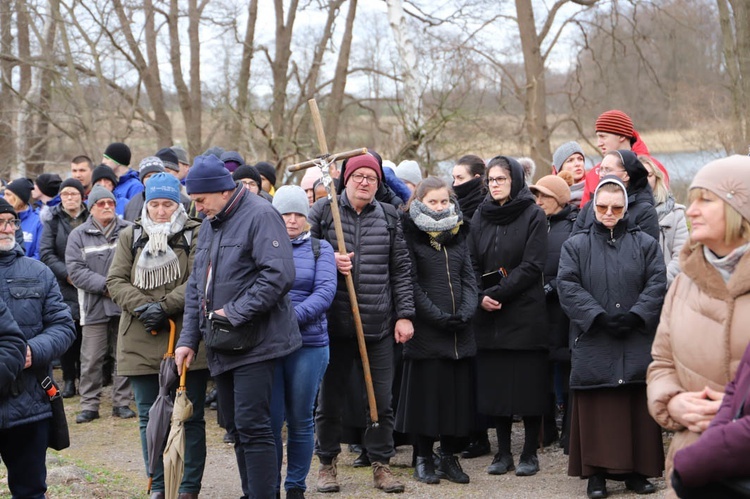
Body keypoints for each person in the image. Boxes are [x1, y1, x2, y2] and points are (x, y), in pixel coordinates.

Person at [174, 155, 302, 499]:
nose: (197, 208)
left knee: (255, 428)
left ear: (221, 191)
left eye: (201, 200)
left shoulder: (261, 215)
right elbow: (195, 286)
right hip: (222, 344)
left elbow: (279, 274)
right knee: (236, 427)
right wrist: (188, 339)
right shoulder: (211, 223)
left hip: (258, 343)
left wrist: (234, 312)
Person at [308, 153, 415, 494]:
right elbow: (298, 253)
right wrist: (327, 256)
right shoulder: (324, 213)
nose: (365, 182)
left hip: (378, 325)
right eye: (359, 176)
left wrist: (404, 315)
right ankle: (327, 464)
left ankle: (381, 464)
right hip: (334, 327)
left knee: (380, 401)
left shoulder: (387, 217)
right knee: (330, 401)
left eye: (372, 177)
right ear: (347, 179)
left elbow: (401, 270)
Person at [647, 155, 750, 498]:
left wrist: (735, 411)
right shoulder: (683, 283)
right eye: (691, 200)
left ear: (742, 210)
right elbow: (660, 364)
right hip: (690, 466)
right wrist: (673, 403)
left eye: (706, 200)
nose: (691, 211)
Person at [558, 176, 666, 499]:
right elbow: (567, 286)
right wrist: (598, 316)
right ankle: (596, 476)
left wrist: (635, 315)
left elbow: (658, 282)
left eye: (616, 208)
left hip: (635, 336)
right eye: (602, 207)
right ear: (593, 206)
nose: (609, 213)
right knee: (597, 406)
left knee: (635, 404)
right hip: (594, 337)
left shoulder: (645, 243)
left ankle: (637, 472)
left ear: (626, 208)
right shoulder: (575, 245)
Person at [107, 173, 208, 499]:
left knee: (187, 416)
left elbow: (198, 280)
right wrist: (143, 308)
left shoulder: (195, 233)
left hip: (184, 334)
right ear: (146, 204)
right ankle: (158, 485)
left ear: (178, 203)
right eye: (155, 204)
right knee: (149, 417)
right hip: (138, 335)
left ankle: (188, 487)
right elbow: (116, 280)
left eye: (168, 204)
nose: (161, 211)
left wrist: (164, 307)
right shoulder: (129, 235)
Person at [467, 156, 548, 477]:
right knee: (496, 389)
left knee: (528, 387)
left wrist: (496, 293)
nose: (495, 184)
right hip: (489, 317)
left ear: (515, 180)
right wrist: (479, 296)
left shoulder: (533, 214)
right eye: (491, 179)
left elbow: (533, 264)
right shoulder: (480, 216)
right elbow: (470, 262)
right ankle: (502, 453)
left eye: (501, 179)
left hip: (524, 312)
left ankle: (529, 452)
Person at [395, 177, 477, 486]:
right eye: (433, 202)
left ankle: (448, 458)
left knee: (456, 400)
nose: (440, 207)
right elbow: (411, 283)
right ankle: (423, 457)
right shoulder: (410, 234)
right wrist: (437, 316)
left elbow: (468, 277)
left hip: (459, 332)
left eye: (444, 201)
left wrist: (467, 311)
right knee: (426, 400)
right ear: (419, 202)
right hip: (428, 332)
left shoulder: (458, 234)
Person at [0, 196, 76, 499]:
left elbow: (63, 326)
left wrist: (34, 350)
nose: (5, 229)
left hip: (29, 402)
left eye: (10, 222)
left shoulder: (39, 272)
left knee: (30, 491)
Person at [270, 185, 337, 499]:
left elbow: (324, 292)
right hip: (267, 346)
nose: (293, 220)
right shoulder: (261, 246)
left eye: (298, 213)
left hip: (308, 344)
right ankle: (267, 483)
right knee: (269, 420)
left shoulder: (319, 249)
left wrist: (289, 318)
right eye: (286, 213)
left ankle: (296, 485)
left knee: (300, 418)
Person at [66, 185, 135, 423]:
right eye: (101, 204)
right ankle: (89, 405)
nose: (107, 207)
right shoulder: (78, 235)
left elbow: (138, 263)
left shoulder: (130, 230)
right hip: (93, 306)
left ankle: (122, 402)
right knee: (92, 358)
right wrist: (107, 286)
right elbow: (75, 271)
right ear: (91, 208)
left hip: (124, 305)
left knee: (123, 356)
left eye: (111, 203)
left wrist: (119, 289)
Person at [529, 172, 578, 448]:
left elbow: (574, 265)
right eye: (536, 195)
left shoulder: (574, 225)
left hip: (565, 308)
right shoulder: (535, 224)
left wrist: (552, 288)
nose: (538, 201)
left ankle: (570, 433)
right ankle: (543, 430)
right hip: (537, 309)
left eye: (544, 195)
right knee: (541, 368)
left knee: (568, 365)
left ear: (559, 198)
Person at [671, 341, 750, 498]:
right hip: (701, 452)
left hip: (709, 457)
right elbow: (661, 364)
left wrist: (703, 454)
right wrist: (670, 400)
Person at [40, 178, 89, 399]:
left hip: (89, 282)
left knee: (88, 335)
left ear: (81, 196)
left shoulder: (90, 217)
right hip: (64, 285)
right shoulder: (52, 220)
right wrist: (67, 274)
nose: (70, 198)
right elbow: (47, 253)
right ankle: (69, 380)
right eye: (65, 194)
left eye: (74, 193)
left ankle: (88, 378)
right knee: (69, 333)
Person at [580, 109, 669, 206]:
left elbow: (666, 208)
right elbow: (585, 216)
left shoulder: (653, 169)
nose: (599, 144)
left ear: (621, 136)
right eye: (598, 137)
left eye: (603, 136)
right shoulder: (594, 174)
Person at [573, 150, 660, 242]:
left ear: (626, 175)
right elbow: (573, 246)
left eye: (607, 170)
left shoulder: (645, 211)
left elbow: (648, 251)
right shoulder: (590, 206)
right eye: (601, 169)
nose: (602, 175)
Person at [641, 155, 688, 287]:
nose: (644, 180)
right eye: (640, 175)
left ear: (656, 178)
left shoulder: (676, 213)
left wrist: (659, 283)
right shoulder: (621, 211)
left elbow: (682, 255)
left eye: (649, 175)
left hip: (667, 288)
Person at [5, 178, 43, 259]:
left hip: (28, 269)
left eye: (8, 194)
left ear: (18, 198)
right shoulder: (2, 219)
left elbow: (39, 254)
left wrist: (21, 268)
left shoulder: (38, 221)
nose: (4, 198)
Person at [124, 157, 167, 222]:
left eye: (156, 175)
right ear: (142, 180)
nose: (153, 178)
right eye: (148, 176)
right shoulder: (132, 203)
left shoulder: (178, 200)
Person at [451, 154, 486, 223]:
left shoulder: (485, 205)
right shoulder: (450, 203)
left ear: (476, 178)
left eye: (460, 178)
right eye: (454, 178)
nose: (455, 183)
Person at [552, 142, 586, 207]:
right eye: (570, 160)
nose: (577, 164)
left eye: (580, 159)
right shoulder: (550, 194)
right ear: (560, 169)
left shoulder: (594, 188)